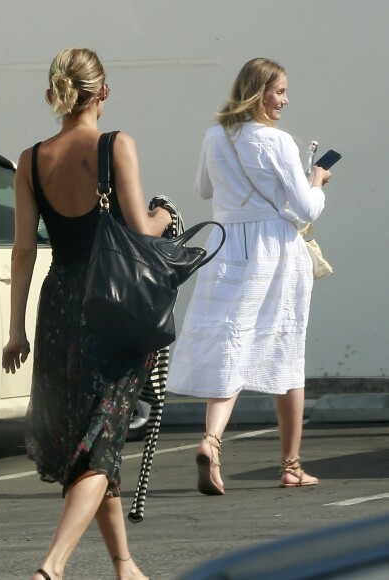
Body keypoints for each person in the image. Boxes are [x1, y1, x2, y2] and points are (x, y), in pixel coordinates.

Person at [2, 47, 171, 580]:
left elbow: (24, 252)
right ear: (103, 92)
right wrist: (163, 216)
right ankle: (51, 567)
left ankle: (124, 564)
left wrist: (15, 330)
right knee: (101, 443)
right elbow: (140, 230)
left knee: (94, 438)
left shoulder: (30, 160)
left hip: (58, 307)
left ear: (55, 95)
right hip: (111, 310)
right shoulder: (115, 145)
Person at [167, 58, 331, 495]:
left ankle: (211, 439)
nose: (285, 100)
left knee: (230, 343)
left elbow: (204, 188)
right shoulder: (277, 142)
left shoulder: (214, 134)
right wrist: (315, 179)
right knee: (286, 348)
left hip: (227, 244)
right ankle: (291, 465)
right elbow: (307, 208)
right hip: (275, 249)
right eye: (279, 91)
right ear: (259, 92)